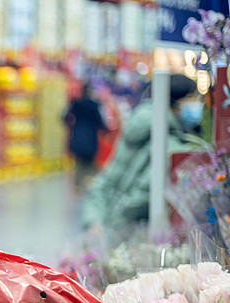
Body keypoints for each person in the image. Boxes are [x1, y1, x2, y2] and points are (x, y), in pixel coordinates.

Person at [81, 73, 203, 237]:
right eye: (193, 98)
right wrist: (111, 234)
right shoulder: (169, 143)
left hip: (107, 223)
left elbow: (106, 180)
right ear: (175, 102)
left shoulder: (138, 125)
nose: (198, 104)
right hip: (128, 235)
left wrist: (94, 219)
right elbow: (140, 198)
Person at [64, 82, 107, 193]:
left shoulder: (76, 105)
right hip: (90, 137)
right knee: (90, 163)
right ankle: (90, 184)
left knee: (78, 163)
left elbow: (65, 117)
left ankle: (77, 186)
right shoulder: (94, 105)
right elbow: (100, 122)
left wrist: (71, 126)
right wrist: (105, 131)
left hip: (77, 136)